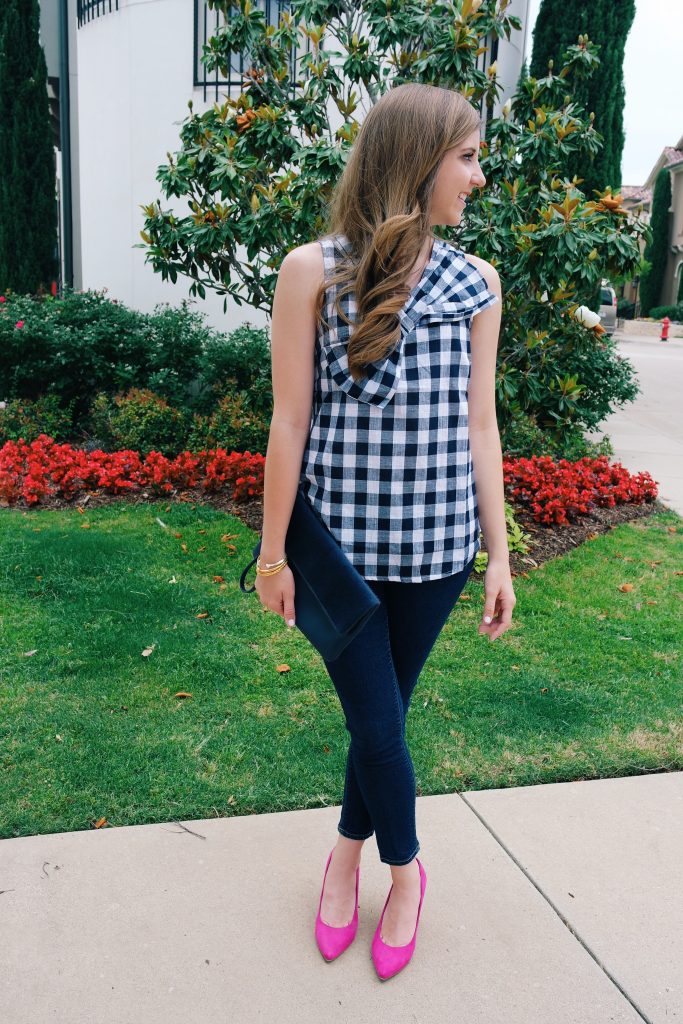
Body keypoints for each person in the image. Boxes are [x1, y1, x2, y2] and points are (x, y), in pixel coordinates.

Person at [254, 81, 516, 979]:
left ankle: (343, 855)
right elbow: (289, 420)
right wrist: (273, 554)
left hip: (437, 552)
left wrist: (498, 555)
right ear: (417, 159)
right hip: (340, 556)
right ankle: (404, 875)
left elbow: (481, 425)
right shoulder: (311, 271)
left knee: (382, 721)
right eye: (467, 157)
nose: (477, 177)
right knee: (375, 720)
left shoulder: (477, 283)